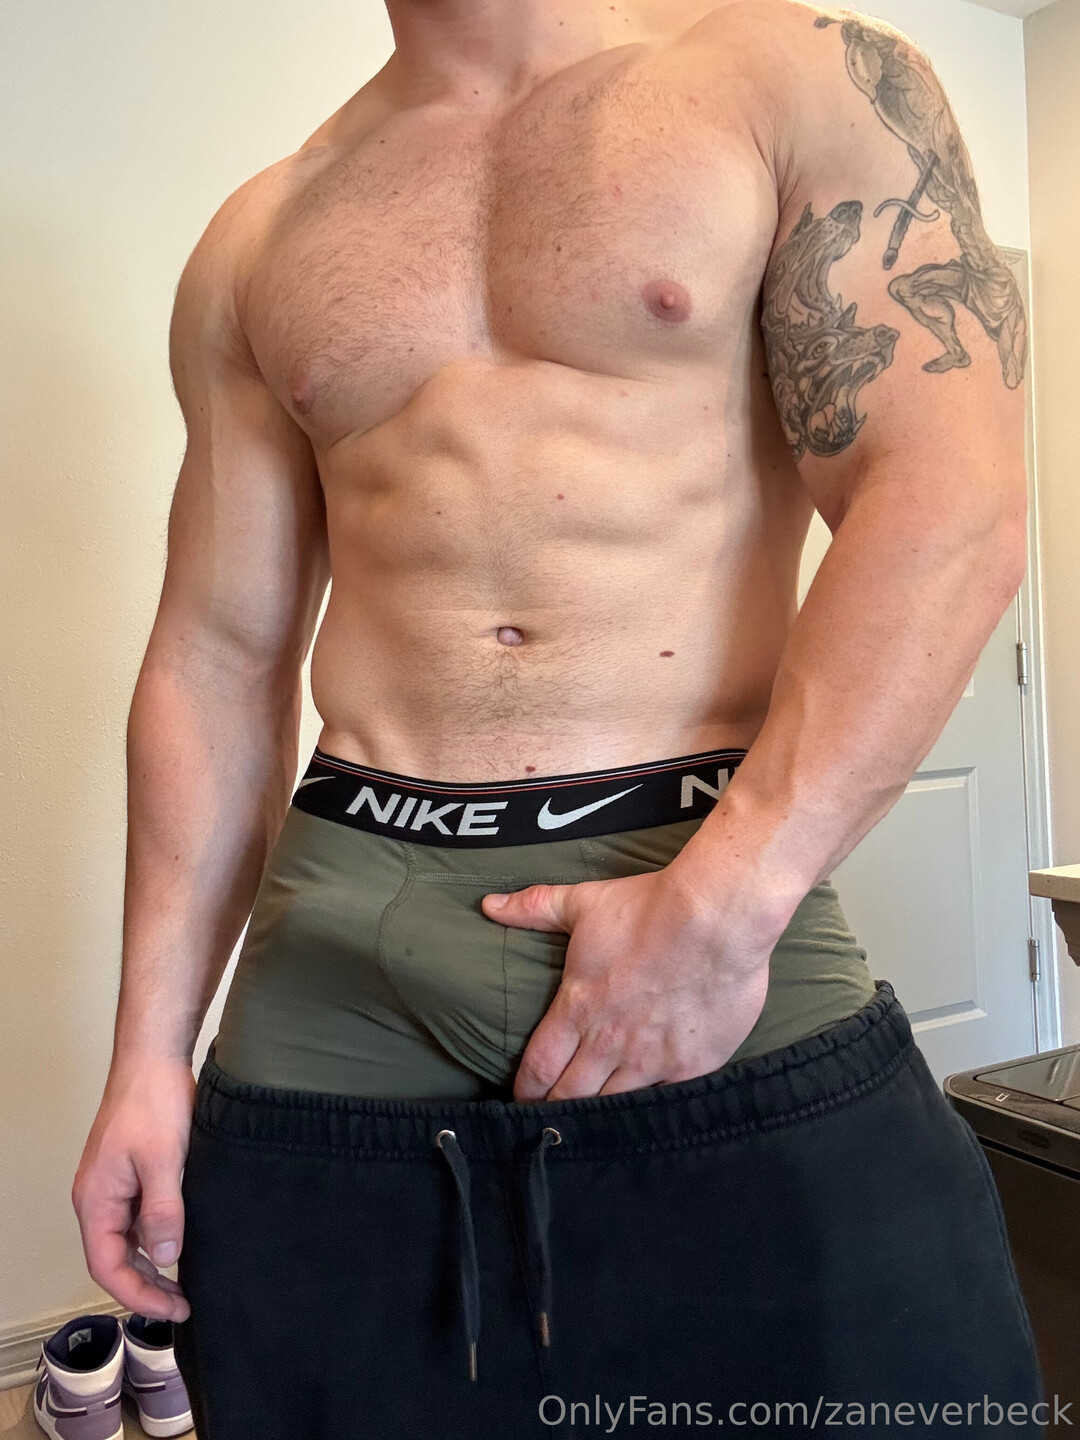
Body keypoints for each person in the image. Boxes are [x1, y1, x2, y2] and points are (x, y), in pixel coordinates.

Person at [72, 0, 1044, 1435]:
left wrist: (728, 904)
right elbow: (216, 655)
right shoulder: (261, 231)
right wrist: (148, 1057)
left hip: (698, 879)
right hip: (339, 942)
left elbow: (948, 504)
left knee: (913, 1379)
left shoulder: (791, 76)